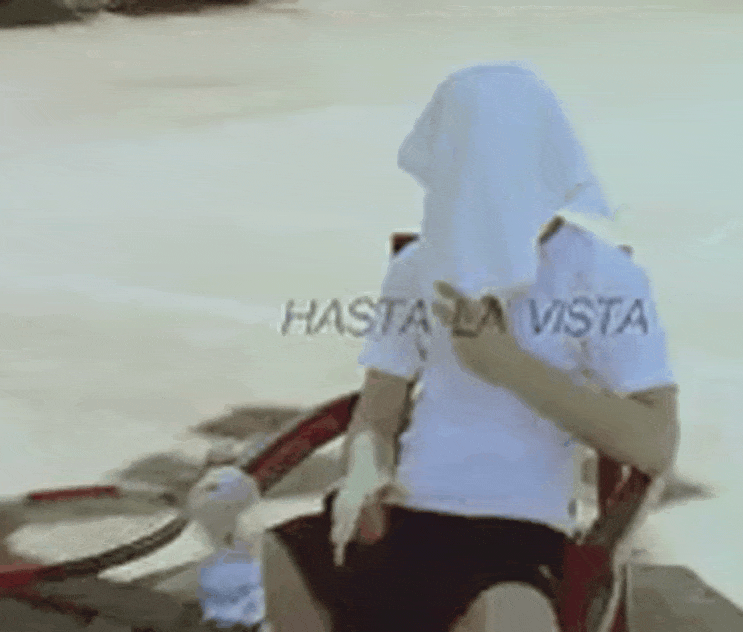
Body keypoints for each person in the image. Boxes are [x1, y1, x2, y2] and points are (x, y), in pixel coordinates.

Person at [267, 62, 680, 632]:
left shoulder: (600, 276)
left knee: (511, 619)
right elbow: (377, 412)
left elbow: (656, 443)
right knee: (276, 560)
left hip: (517, 533)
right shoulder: (418, 267)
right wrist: (363, 473)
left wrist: (504, 364)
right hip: (404, 516)